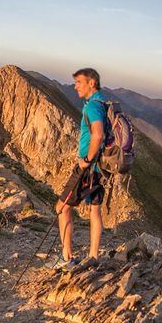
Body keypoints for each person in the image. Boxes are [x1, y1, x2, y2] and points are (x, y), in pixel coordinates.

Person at [50, 67, 107, 270]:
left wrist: (86, 160)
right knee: (94, 210)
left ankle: (66, 257)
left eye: (79, 82)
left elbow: (98, 135)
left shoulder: (92, 107)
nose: (75, 87)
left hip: (88, 168)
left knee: (61, 207)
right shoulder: (103, 103)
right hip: (101, 169)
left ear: (91, 83)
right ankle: (93, 256)